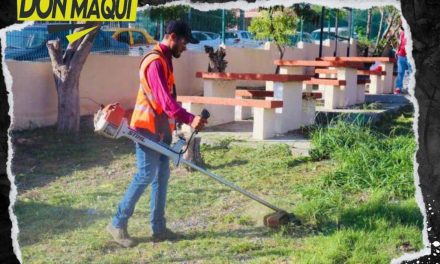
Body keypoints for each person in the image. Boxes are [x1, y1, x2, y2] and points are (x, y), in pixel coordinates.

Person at [106, 20, 208, 247]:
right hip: (146, 128)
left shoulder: (165, 59)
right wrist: (191, 119)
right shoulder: (154, 62)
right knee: (145, 175)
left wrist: (173, 127)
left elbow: (166, 103)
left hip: (161, 129)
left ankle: (159, 229)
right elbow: (165, 101)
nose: (185, 47)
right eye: (184, 42)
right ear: (172, 36)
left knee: (161, 176)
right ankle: (117, 223)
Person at [395, 24, 411, 94]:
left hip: (409, 55)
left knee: (411, 72)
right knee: (400, 72)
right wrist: (397, 51)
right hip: (401, 54)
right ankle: (398, 87)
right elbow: (400, 43)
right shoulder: (402, 33)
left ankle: (411, 88)